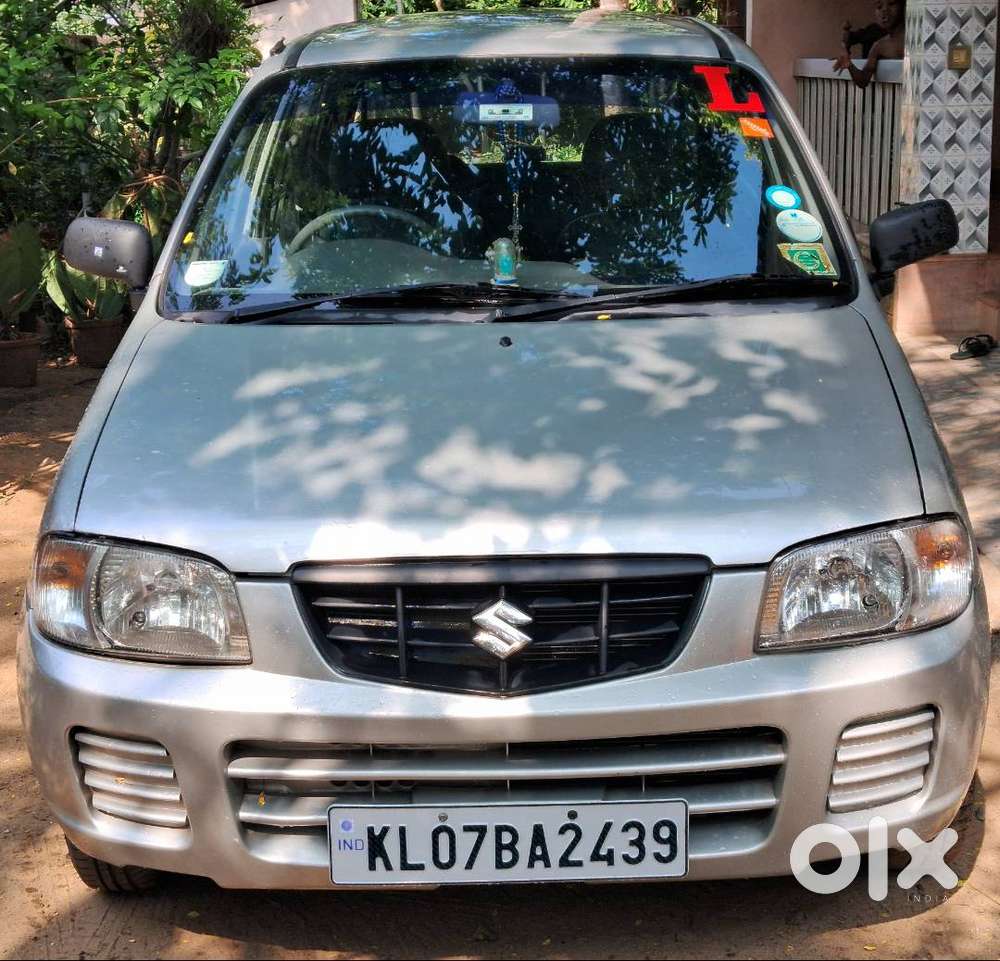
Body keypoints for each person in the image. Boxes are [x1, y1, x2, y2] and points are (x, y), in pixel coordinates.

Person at [833, 0, 905, 89]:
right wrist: (849, 65)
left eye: (891, 3)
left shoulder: (917, 38)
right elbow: (863, 80)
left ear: (904, 6)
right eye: (879, 7)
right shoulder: (879, 46)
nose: (884, 10)